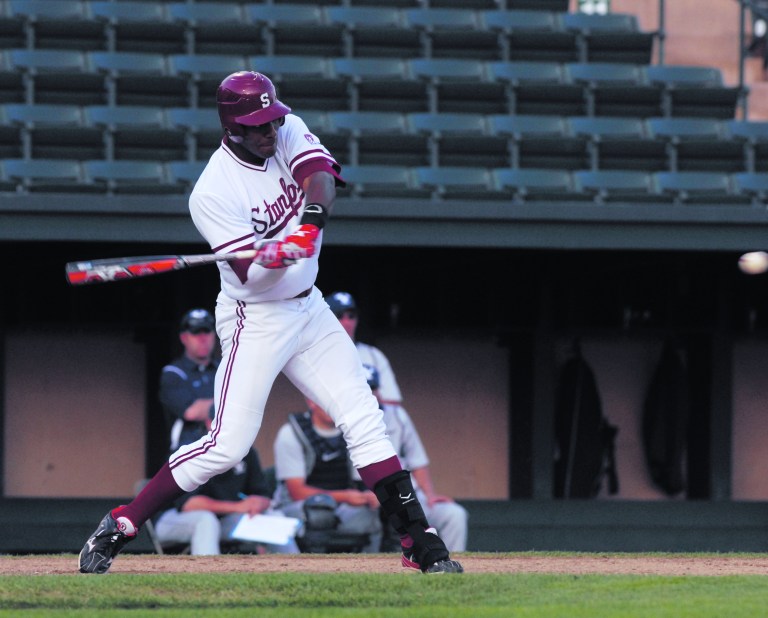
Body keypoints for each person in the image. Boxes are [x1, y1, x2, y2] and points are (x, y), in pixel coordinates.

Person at [78, 70, 462, 575]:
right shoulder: (212, 192)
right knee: (227, 444)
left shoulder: (286, 131)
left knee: (364, 418)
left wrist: (310, 222)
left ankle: (420, 543)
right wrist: (274, 255)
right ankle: (121, 523)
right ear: (232, 128)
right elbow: (249, 275)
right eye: (257, 125)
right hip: (253, 317)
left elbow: (320, 176)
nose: (270, 131)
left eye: (271, 119)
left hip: (309, 309)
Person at [362, 364, 468, 553]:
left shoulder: (397, 416)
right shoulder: (345, 418)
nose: (370, 394)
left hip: (408, 495)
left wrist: (430, 495)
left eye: (373, 388)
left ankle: (449, 568)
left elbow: (417, 461)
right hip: (368, 497)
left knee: (454, 514)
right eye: (365, 389)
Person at [272, 398, 382, 553]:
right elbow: (296, 492)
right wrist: (345, 496)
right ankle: (314, 570)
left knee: (380, 509)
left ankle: (373, 569)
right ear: (311, 402)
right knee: (319, 511)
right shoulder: (291, 432)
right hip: (294, 508)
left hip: (343, 506)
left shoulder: (352, 431)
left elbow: (363, 480)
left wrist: (370, 495)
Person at [153, 446, 299, 555]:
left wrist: (258, 503)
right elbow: (189, 504)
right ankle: (209, 583)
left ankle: (297, 577)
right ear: (210, 423)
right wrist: (237, 507)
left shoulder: (246, 452)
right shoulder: (194, 450)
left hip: (223, 521)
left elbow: (263, 496)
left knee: (273, 518)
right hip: (169, 520)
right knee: (206, 521)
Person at [324, 291, 402, 405]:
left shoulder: (374, 355)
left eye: (351, 316)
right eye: (339, 316)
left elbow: (393, 401)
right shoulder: (316, 354)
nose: (347, 322)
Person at [159, 309, 218, 454]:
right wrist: (227, 405)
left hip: (221, 451)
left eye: (207, 331)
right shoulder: (173, 372)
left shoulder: (223, 368)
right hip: (186, 453)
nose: (203, 338)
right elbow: (191, 412)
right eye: (196, 332)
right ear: (184, 338)